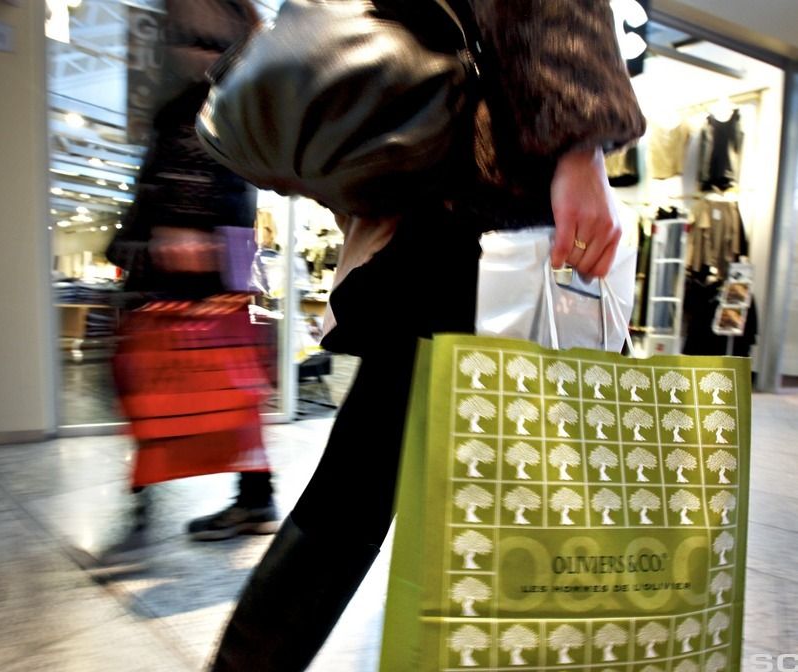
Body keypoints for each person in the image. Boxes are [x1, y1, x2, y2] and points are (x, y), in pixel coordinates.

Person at [207, 1, 646, 669]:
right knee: (522, 477)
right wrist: (578, 143)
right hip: (492, 206)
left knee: (359, 483)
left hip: (430, 208)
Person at [104, 0, 277, 555]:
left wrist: (180, 227)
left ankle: (153, 505)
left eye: (206, 41)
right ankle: (251, 497)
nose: (191, 49)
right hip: (214, 253)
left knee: (171, 376)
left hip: (199, 255)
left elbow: (204, 172)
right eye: (183, 36)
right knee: (210, 378)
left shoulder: (205, 103)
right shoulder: (222, 99)